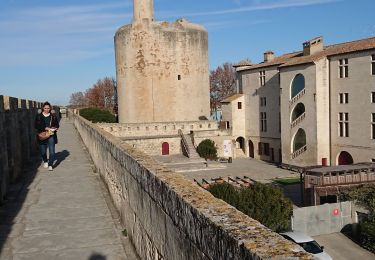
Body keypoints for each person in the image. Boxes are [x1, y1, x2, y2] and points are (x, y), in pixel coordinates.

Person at [35, 101, 59, 171]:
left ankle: (50, 165)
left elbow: (57, 125)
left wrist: (55, 128)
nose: (46, 109)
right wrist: (45, 128)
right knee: (43, 152)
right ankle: (45, 161)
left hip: (51, 135)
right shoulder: (39, 116)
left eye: (48, 108)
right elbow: (36, 126)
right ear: (43, 108)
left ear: (50, 108)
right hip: (42, 135)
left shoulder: (53, 116)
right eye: (45, 108)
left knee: (52, 152)